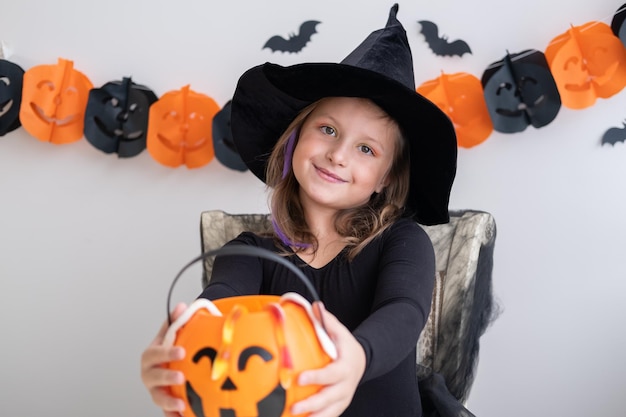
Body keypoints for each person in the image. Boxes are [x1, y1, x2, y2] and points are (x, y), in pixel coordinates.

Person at [141, 4, 458, 417]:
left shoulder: (402, 242)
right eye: (327, 129)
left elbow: (403, 310)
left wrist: (357, 357)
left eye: (366, 148)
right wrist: (182, 340)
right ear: (295, 140)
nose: (338, 154)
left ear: (385, 177)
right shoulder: (250, 252)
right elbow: (219, 299)